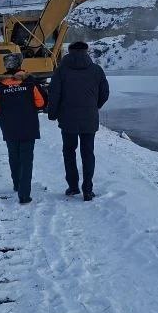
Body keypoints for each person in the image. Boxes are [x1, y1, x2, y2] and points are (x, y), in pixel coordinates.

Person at [46, 41, 109, 202]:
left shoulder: (61, 71)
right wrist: (94, 106)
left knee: (69, 152)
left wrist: (52, 114)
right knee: (88, 153)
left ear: (70, 51)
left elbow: (54, 94)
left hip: (68, 120)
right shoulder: (96, 70)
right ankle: (88, 190)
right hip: (89, 118)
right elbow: (105, 93)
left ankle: (73, 186)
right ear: (86, 51)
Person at [0, 53, 47, 204]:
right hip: (28, 126)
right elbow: (41, 103)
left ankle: (17, 184)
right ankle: (24, 194)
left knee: (13, 156)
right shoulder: (29, 82)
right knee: (26, 160)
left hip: (9, 127)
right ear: (20, 64)